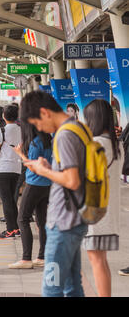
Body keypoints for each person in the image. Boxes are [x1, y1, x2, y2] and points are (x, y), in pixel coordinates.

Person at [20, 90, 88, 297]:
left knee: (52, 289)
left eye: (37, 123)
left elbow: (72, 180)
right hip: (76, 217)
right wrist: (49, 167)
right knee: (72, 286)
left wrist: (43, 171)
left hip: (63, 222)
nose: (39, 128)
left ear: (44, 112)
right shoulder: (78, 128)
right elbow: (72, 171)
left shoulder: (64, 134)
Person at [82, 99, 121, 296]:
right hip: (108, 211)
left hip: (95, 213)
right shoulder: (115, 145)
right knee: (101, 260)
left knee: (96, 261)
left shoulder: (96, 144)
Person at [8, 123, 52, 269]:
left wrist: (20, 153)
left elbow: (32, 165)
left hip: (34, 184)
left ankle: (26, 258)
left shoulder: (35, 143)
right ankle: (42, 257)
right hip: (47, 184)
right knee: (41, 220)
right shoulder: (48, 140)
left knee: (22, 218)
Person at [0, 105, 22, 238]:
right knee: (12, 199)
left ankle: (10, 230)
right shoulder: (21, 130)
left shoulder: (2, 131)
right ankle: (16, 228)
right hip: (16, 168)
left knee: (6, 200)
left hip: (3, 169)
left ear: (4, 116)